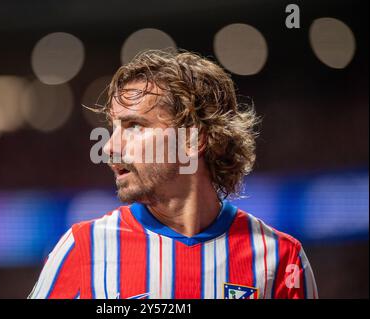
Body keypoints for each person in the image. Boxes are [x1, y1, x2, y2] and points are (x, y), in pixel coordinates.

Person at [29, 49, 318, 299]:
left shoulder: (281, 258)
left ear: (193, 141)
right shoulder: (83, 248)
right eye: (114, 127)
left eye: (134, 126)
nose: (110, 147)